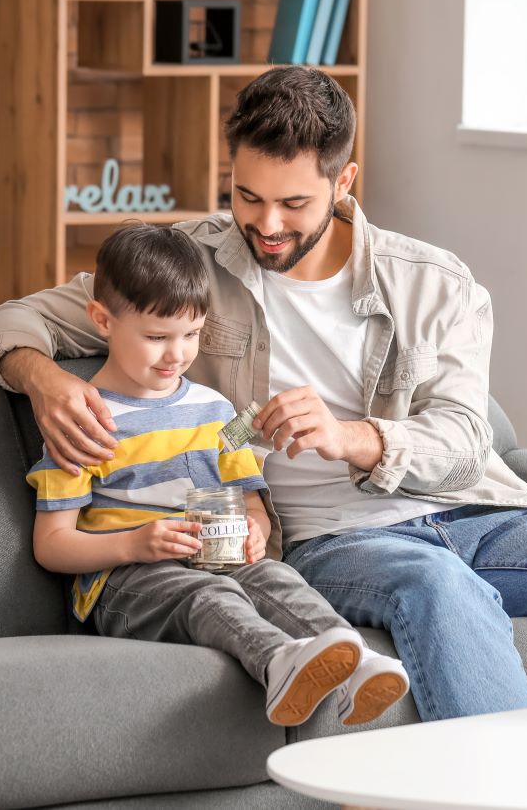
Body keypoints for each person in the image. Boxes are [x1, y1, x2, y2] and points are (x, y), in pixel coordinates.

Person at [0, 66, 527, 722]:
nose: (266, 224)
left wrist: (352, 436)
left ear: (343, 180)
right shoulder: (186, 265)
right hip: (337, 539)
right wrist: (45, 380)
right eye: (246, 196)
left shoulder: (434, 282)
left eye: (293, 203)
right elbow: (5, 322)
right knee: (440, 587)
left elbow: (468, 444)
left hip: (476, 511)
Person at [26, 223, 409, 727]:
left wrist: (256, 530)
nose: (177, 354)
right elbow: (52, 545)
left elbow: (250, 498)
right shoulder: (84, 421)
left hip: (217, 559)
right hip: (126, 582)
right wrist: (136, 544)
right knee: (212, 596)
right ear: (102, 320)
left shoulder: (218, 412)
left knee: (275, 576)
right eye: (156, 337)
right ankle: (278, 663)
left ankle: (357, 663)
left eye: (192, 334)